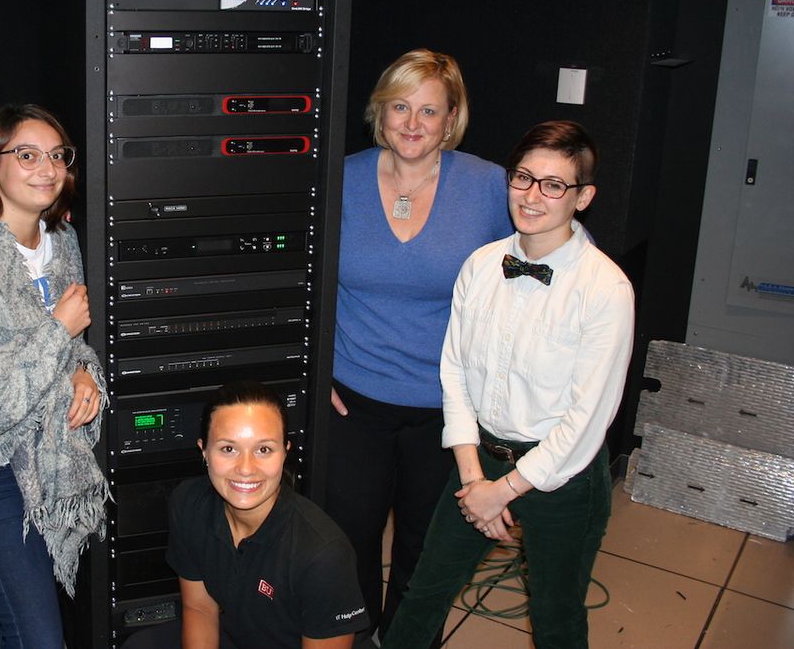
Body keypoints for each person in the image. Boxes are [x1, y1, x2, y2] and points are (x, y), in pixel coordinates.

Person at [382, 121, 634, 648]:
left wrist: (504, 492)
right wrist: (474, 481)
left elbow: (586, 422)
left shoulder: (605, 289)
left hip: (563, 477)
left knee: (556, 616)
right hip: (479, 464)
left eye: (554, 184)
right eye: (523, 178)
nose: (532, 196)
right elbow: (454, 370)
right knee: (422, 594)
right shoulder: (480, 264)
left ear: (583, 197)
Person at [326, 48, 514, 637]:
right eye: (399, 107)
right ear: (379, 113)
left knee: (423, 542)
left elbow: (516, 291)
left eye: (428, 111)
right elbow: (302, 282)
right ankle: (355, 636)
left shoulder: (487, 186)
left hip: (446, 408)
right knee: (345, 538)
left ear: (451, 118)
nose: (412, 123)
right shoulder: (339, 177)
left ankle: (410, 635)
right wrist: (311, 376)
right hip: (351, 400)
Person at [0, 104, 108, 648]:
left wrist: (83, 372)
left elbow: (75, 348)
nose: (48, 168)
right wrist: (59, 333)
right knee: (38, 635)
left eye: (57, 155)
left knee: (16, 620)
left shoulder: (63, 244)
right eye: (27, 155)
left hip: (49, 456)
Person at [160, 381, 369, 649]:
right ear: (204, 451)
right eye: (228, 449)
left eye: (264, 450)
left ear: (285, 452)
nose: (246, 468)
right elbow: (200, 609)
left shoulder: (323, 555)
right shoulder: (188, 504)